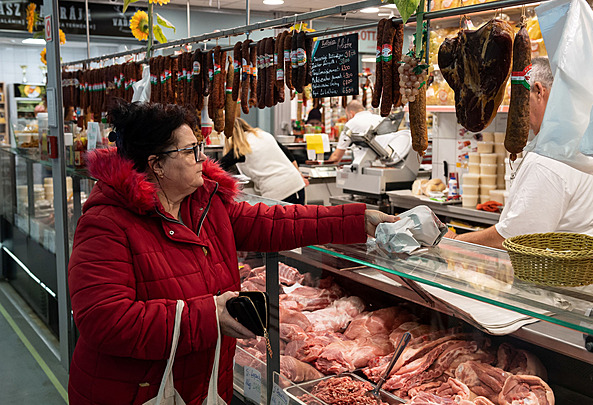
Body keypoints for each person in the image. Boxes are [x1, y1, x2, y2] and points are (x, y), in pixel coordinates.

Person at [67, 100, 397, 405]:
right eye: (190, 150)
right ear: (157, 165)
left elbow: (273, 222)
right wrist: (212, 315)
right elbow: (105, 322)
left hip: (203, 385)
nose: (203, 156)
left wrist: (359, 219)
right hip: (132, 392)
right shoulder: (106, 222)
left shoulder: (203, 203)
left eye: (200, 146)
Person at [444, 57, 593, 275]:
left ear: (539, 91)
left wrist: (455, 241)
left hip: (559, 292)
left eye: (518, 98)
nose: (516, 109)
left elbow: (514, 236)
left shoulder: (547, 157)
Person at [220, 118, 309, 204]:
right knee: (297, 218)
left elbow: (220, 165)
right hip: (296, 185)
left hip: (279, 192)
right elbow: (289, 154)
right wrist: (299, 175)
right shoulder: (263, 135)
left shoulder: (241, 148)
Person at [325, 100, 383, 164]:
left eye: (347, 116)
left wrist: (326, 169)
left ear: (351, 113)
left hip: (363, 165)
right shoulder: (380, 119)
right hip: (384, 165)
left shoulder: (351, 123)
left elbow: (336, 156)